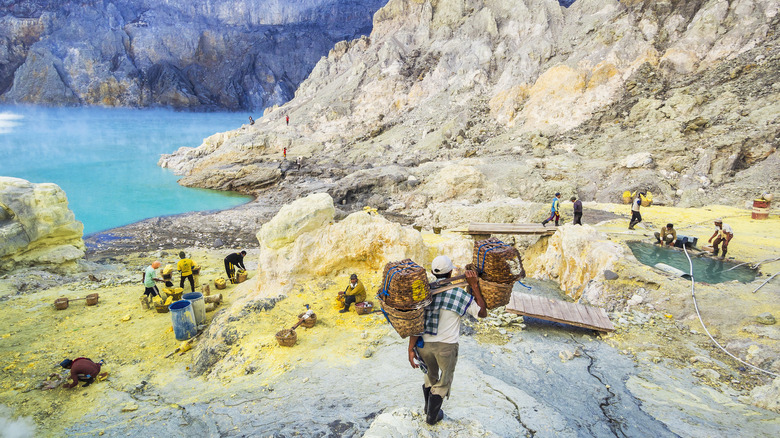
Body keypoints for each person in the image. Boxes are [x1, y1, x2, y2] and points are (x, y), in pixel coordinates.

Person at [408, 256, 487, 425]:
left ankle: (427, 408)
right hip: (446, 347)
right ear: (451, 272)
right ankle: (432, 417)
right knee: (443, 382)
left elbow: (415, 321)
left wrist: (410, 348)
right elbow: (481, 313)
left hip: (424, 346)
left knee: (430, 375)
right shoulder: (459, 294)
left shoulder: (424, 293)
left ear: (432, 273)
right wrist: (474, 286)